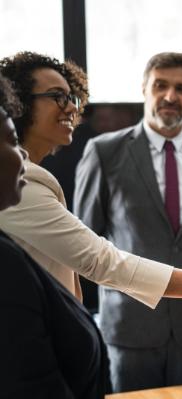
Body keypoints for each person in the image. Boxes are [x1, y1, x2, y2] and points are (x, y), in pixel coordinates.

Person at [0, 51, 182, 391]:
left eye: (72, 97)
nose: (73, 108)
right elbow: (93, 250)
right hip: (126, 327)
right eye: (58, 97)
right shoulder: (86, 159)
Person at [72, 52, 182, 392]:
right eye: (160, 85)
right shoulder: (104, 152)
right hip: (131, 324)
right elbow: (84, 239)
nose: (170, 96)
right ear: (144, 89)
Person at [0, 72, 109, 398]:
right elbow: (102, 260)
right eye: (9, 141)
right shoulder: (6, 265)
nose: (71, 109)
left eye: (71, 98)